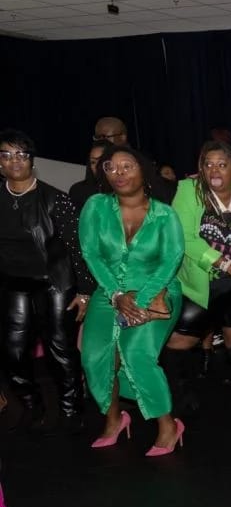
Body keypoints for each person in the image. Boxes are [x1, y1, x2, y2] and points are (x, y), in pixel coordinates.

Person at [78, 144, 185, 455]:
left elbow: (172, 258)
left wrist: (142, 298)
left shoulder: (164, 214)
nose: (118, 173)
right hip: (108, 292)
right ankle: (114, 419)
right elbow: (91, 254)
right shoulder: (95, 206)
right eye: (110, 167)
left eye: (127, 166)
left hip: (157, 291)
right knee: (95, 358)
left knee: (136, 354)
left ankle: (168, 424)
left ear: (144, 171)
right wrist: (116, 295)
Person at [163, 140, 231, 416]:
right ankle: (178, 399)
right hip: (200, 283)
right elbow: (183, 237)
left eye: (222, 164)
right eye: (208, 164)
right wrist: (223, 262)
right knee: (178, 342)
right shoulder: (188, 191)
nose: (214, 170)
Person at [0, 128, 91, 431]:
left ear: (32, 160)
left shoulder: (56, 199)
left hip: (54, 282)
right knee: (13, 351)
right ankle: (31, 404)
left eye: (21, 154)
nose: (14, 161)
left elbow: (78, 249)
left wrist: (85, 292)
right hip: (14, 283)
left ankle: (71, 409)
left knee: (59, 348)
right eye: (6, 154)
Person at [68, 142, 107, 213]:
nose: (97, 166)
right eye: (93, 162)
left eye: (101, 160)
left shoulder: (122, 189)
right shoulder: (78, 190)